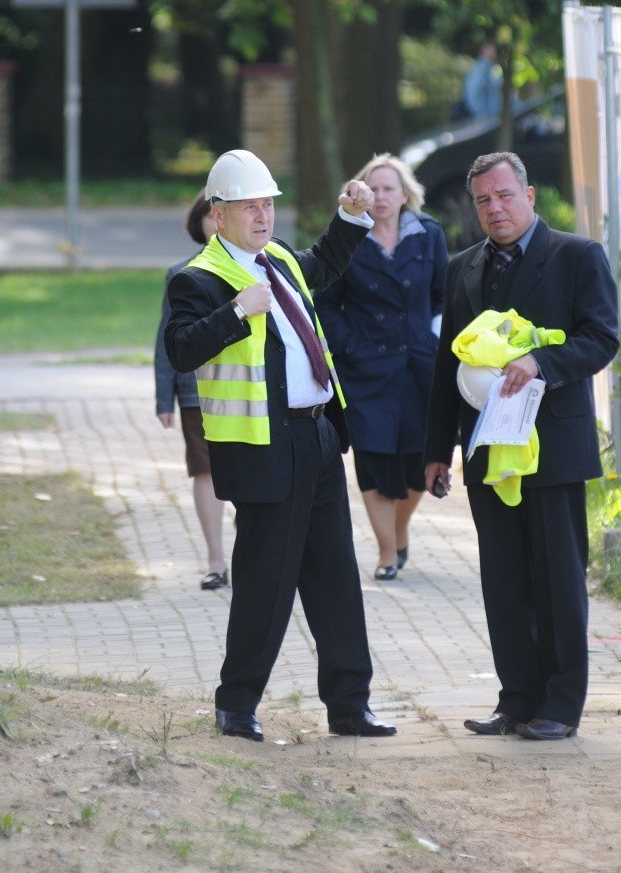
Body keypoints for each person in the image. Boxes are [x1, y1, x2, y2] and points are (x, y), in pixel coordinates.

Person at [164, 149, 397, 743]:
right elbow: (182, 350)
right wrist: (238, 311)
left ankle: (350, 704)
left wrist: (350, 218)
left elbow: (321, 266)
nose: (263, 216)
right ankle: (237, 704)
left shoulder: (281, 259)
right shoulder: (200, 278)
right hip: (264, 449)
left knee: (336, 578)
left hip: (317, 432)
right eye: (249, 207)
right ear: (219, 216)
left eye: (268, 204)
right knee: (265, 582)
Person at [424, 151, 619, 741]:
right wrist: (437, 449)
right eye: (484, 200)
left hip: (553, 448)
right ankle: (517, 701)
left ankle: (560, 706)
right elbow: (445, 367)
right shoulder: (462, 268)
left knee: (557, 580)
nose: (495, 208)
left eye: (505, 195)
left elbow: (602, 338)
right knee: (504, 581)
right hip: (488, 451)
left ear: (529, 196)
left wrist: (541, 363)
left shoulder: (576, 256)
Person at [316, 153, 448, 580]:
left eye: (391, 188)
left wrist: (437, 341)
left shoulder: (428, 235)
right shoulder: (348, 239)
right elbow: (326, 304)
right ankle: (387, 554)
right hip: (365, 369)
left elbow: (444, 296)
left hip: (419, 367)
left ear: (406, 194)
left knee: (418, 463)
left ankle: (400, 529)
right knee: (373, 460)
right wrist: (350, 346)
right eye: (375, 189)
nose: (383, 196)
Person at [154, 193, 229, 591]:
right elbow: (167, 338)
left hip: (244, 393)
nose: (216, 223)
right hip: (195, 392)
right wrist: (163, 396)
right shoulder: (181, 274)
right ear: (199, 222)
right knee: (205, 470)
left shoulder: (257, 267)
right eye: (210, 215)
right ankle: (216, 559)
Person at [451, 42, 501, 120]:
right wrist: (482, 114)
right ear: (484, 51)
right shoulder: (483, 67)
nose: (495, 53)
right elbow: (475, 93)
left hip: (486, 116)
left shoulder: (482, 67)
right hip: (485, 117)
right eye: (492, 50)